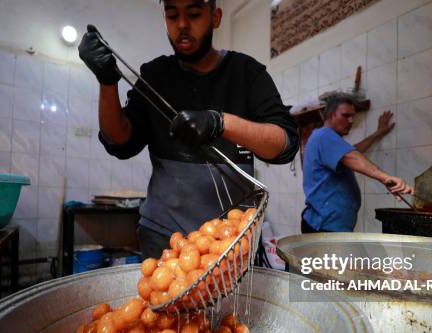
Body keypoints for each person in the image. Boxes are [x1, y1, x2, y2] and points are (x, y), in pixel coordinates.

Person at [78, 0, 299, 259]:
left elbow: (284, 144)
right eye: (172, 16)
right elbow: (120, 141)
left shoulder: (246, 73)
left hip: (231, 237)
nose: (182, 25)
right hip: (163, 237)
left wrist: (220, 122)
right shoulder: (155, 74)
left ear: (215, 17)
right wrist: (106, 82)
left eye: (193, 14)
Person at [301, 95, 412, 233]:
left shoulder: (325, 139)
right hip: (323, 226)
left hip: (329, 225)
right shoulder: (324, 135)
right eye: (346, 115)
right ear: (330, 115)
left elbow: (355, 151)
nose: (351, 120)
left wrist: (378, 133)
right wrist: (386, 178)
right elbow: (352, 157)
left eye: (352, 116)